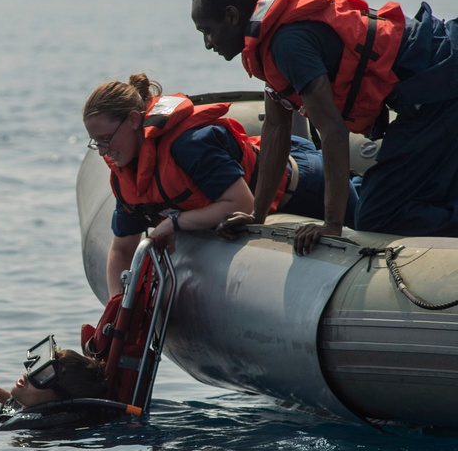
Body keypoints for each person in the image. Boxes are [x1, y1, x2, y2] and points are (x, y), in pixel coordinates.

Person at [192, 0, 458, 254]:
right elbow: (276, 128)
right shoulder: (266, 42)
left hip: (441, 84)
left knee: (376, 215)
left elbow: (332, 129)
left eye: (208, 31)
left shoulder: (286, 43)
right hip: (430, 91)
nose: (207, 44)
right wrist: (258, 214)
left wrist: (332, 223)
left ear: (232, 16)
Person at [82, 73, 345, 299]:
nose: (104, 151)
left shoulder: (189, 145)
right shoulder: (125, 174)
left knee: (375, 220)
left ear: (133, 120)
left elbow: (242, 204)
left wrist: (173, 223)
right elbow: (122, 248)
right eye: (97, 143)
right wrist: (118, 310)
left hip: (306, 185)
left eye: (106, 139)